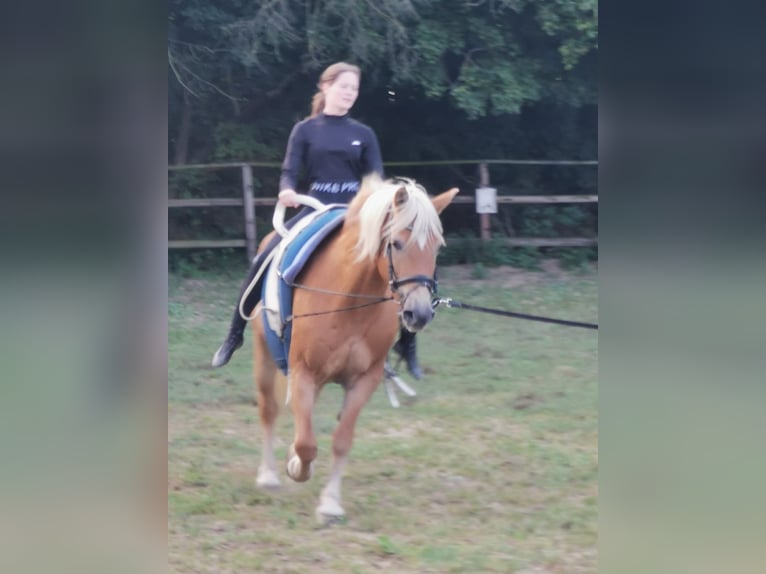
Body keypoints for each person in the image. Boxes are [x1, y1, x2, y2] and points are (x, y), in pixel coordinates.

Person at [211, 62, 423, 378]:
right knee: (267, 256)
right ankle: (234, 334)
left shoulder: (363, 134)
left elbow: (376, 178)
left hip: (358, 217)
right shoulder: (305, 130)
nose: (350, 93)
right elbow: (289, 171)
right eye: (344, 86)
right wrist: (286, 190)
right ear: (325, 87)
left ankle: (407, 344)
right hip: (315, 211)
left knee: (414, 260)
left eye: (354, 88)